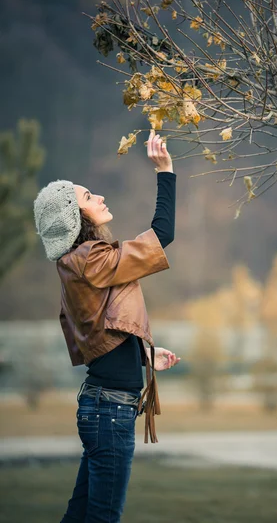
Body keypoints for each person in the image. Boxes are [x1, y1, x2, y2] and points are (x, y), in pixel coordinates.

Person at [33, 130, 179, 523]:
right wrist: (165, 172)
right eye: (87, 197)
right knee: (101, 518)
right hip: (108, 412)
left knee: (81, 515)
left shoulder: (82, 262)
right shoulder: (89, 259)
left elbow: (106, 327)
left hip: (103, 408)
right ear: (75, 217)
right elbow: (161, 237)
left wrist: (146, 356)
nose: (98, 197)